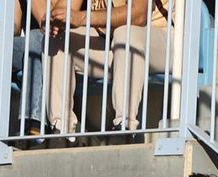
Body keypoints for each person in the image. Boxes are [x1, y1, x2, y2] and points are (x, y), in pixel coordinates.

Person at [43, 0, 168, 139]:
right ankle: (61, 131)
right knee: (58, 39)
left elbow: (139, 14)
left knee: (126, 34)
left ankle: (124, 127)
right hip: (115, 46)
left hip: (162, 39)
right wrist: (53, 20)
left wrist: (82, 17)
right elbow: (65, 9)